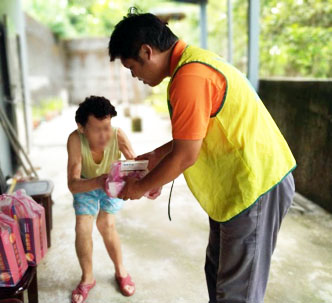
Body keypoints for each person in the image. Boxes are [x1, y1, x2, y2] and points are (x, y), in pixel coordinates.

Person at [109, 10, 296, 303]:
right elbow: (192, 136)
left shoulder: (190, 77)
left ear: (148, 52)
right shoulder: (193, 63)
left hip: (255, 187)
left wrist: (138, 188)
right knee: (218, 272)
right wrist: (153, 159)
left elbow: (184, 156)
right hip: (233, 188)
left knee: (237, 292)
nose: (136, 77)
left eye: (133, 68)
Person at [67, 96, 136, 303]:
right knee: (82, 226)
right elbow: (73, 183)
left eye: (107, 127)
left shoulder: (118, 135)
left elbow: (136, 164)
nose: (104, 135)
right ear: (82, 128)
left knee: (106, 224)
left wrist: (146, 182)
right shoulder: (75, 139)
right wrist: (98, 181)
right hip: (88, 184)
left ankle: (121, 271)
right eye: (97, 129)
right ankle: (87, 278)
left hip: (114, 181)